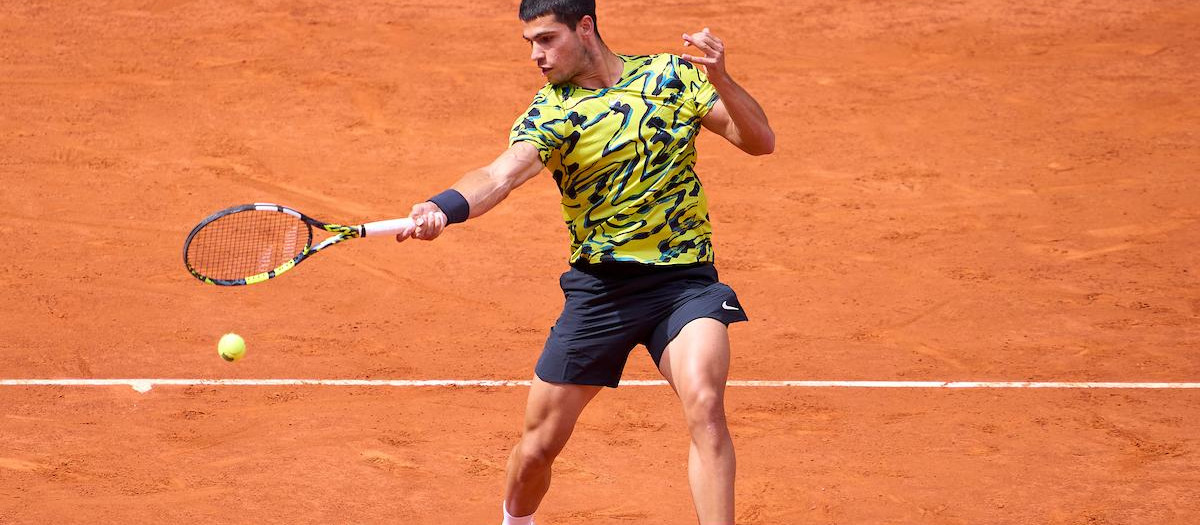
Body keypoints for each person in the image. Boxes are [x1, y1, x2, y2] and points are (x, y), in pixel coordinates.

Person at [395, 1, 773, 523]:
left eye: (547, 39)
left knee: (706, 407)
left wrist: (722, 79)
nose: (536, 55)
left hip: (685, 284)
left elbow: (759, 141)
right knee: (536, 450)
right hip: (601, 294)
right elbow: (499, 175)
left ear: (586, 27)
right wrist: (443, 206)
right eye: (530, 43)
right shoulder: (551, 112)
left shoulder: (671, 76)